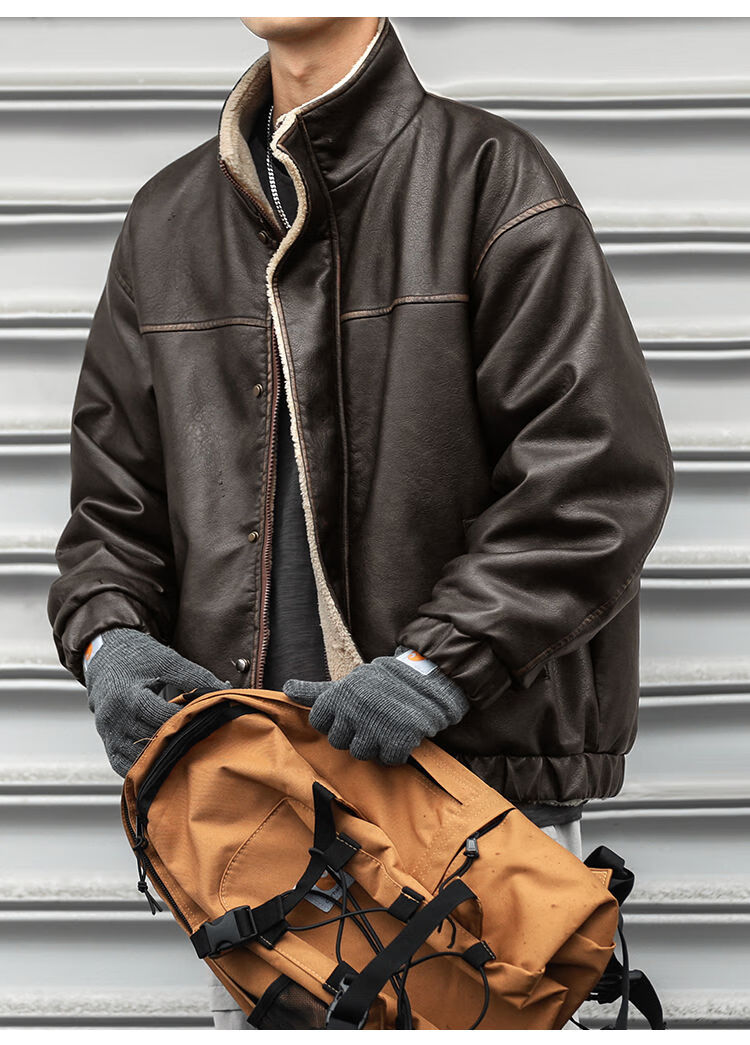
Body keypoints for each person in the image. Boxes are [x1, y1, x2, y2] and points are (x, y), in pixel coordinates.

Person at [47, 16, 674, 1031]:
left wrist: (436, 665)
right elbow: (111, 508)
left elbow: (597, 474)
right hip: (255, 809)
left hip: (466, 794)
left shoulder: (488, 177)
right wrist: (107, 638)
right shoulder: (167, 220)